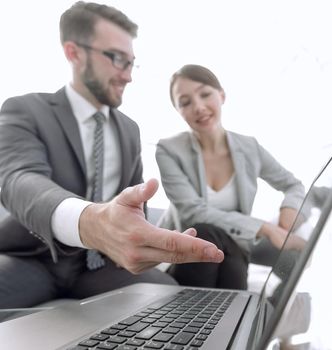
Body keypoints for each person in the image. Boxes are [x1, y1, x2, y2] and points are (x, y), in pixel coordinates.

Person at [0, 4, 224, 310]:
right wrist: (91, 223)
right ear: (74, 53)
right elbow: (18, 178)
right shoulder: (26, 110)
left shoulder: (129, 131)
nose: (128, 76)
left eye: (132, 63)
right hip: (31, 260)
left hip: (97, 268)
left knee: (170, 296)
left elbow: (133, 204)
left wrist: (149, 238)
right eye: (118, 60)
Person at [155, 64, 309, 290]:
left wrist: (291, 209)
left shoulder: (249, 148)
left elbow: (293, 185)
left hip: (234, 250)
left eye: (205, 94)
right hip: (188, 250)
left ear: (222, 95)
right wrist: (265, 229)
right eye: (186, 102)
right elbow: (193, 212)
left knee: (235, 268)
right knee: (204, 231)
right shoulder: (169, 150)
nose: (198, 107)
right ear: (179, 111)